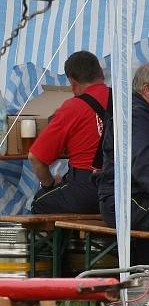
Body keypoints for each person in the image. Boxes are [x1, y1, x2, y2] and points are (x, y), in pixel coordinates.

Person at [96, 62, 149, 264]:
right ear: (148, 90)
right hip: (126, 200)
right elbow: (145, 163)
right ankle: (146, 286)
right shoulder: (133, 117)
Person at [28, 51, 110, 213]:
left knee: (39, 202)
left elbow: (35, 157)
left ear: (72, 83)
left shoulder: (72, 108)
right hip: (123, 188)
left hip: (88, 189)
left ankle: (63, 239)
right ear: (101, 72)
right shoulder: (126, 100)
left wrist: (49, 184)